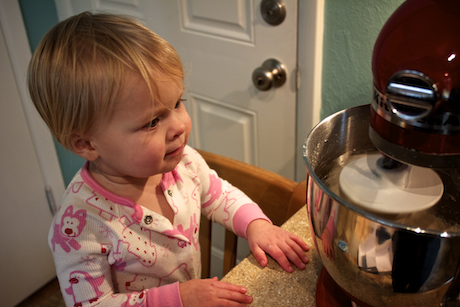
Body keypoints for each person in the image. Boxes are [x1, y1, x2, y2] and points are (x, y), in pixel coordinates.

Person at [28, 12, 309, 307]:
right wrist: (178, 299)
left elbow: (219, 194)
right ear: (85, 143)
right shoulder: (79, 226)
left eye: (177, 103)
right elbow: (91, 304)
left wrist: (256, 225)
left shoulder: (183, 162)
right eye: (151, 122)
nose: (178, 126)